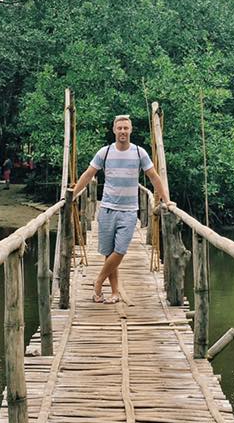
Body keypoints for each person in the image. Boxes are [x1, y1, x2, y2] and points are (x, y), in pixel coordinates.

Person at [71, 115, 170, 303]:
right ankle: (115, 293)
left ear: (131, 130)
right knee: (109, 252)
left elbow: (154, 177)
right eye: (120, 128)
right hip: (107, 208)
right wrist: (73, 195)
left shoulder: (140, 153)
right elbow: (88, 174)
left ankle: (98, 281)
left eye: (126, 128)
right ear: (114, 130)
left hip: (129, 210)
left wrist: (167, 200)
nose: (123, 131)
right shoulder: (105, 152)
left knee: (120, 250)